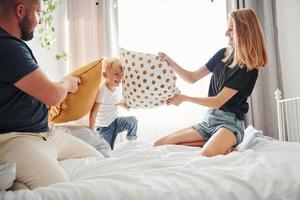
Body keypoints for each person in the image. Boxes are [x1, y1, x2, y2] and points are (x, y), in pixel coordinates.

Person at [0, 0, 103, 190]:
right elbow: (53, 96)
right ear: (20, 10)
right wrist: (67, 83)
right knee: (59, 189)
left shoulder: (13, 45)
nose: (39, 21)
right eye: (38, 12)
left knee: (99, 163)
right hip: (16, 140)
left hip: (46, 133)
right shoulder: (6, 46)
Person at [154, 9, 268, 157]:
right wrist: (171, 63)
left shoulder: (247, 67)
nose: (226, 33)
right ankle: (215, 143)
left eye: (231, 29)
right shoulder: (222, 54)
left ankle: (222, 144)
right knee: (158, 144)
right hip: (209, 120)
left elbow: (217, 101)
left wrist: (184, 98)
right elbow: (192, 77)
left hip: (229, 124)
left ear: (244, 31)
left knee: (208, 153)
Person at [89, 57, 138, 150]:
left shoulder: (117, 88)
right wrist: (91, 130)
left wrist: (124, 105)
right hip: (105, 127)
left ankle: (131, 143)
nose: (120, 78)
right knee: (107, 150)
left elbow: (115, 102)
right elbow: (94, 112)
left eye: (121, 74)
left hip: (116, 121)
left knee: (133, 121)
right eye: (116, 74)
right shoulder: (102, 91)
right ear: (105, 75)